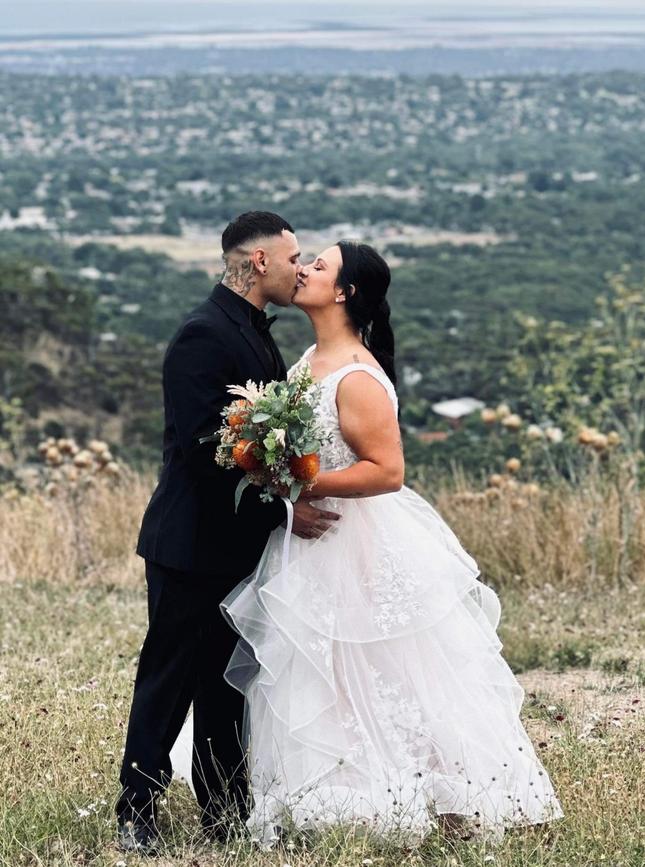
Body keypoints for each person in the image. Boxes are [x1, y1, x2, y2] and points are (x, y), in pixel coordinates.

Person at [172, 240, 565, 847]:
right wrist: (278, 485)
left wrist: (300, 483)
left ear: (345, 293)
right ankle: (318, 791)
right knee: (312, 668)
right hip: (305, 538)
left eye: (319, 266)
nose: (303, 270)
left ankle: (414, 791)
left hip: (353, 541)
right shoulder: (305, 362)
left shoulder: (357, 376)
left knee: (377, 667)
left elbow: (386, 472)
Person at [116, 212, 340, 854]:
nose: (302, 267)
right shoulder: (202, 335)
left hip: (239, 547)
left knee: (227, 683)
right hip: (189, 546)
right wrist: (288, 511)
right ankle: (136, 815)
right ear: (260, 261)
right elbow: (203, 450)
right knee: (169, 680)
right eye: (295, 255)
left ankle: (224, 814)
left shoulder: (254, 333)